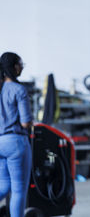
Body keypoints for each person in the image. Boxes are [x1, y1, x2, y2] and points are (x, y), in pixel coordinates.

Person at [0, 52, 33, 217]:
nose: (22, 67)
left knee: (4, 186)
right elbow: (26, 123)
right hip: (15, 143)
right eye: (21, 64)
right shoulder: (18, 89)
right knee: (19, 189)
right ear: (14, 67)